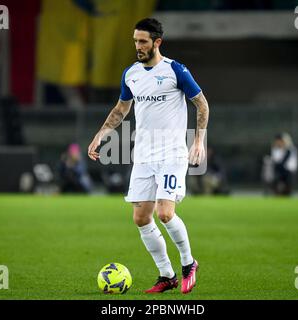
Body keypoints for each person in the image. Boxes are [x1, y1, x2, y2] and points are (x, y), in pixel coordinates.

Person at [88, 18, 209, 294]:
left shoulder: (174, 70)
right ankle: (166, 276)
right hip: (143, 154)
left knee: (165, 213)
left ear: (157, 42)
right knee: (141, 218)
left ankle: (189, 264)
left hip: (171, 153)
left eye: (143, 41)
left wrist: (199, 141)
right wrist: (101, 134)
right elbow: (121, 109)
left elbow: (201, 104)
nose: (138, 46)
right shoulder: (131, 74)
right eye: (135, 41)